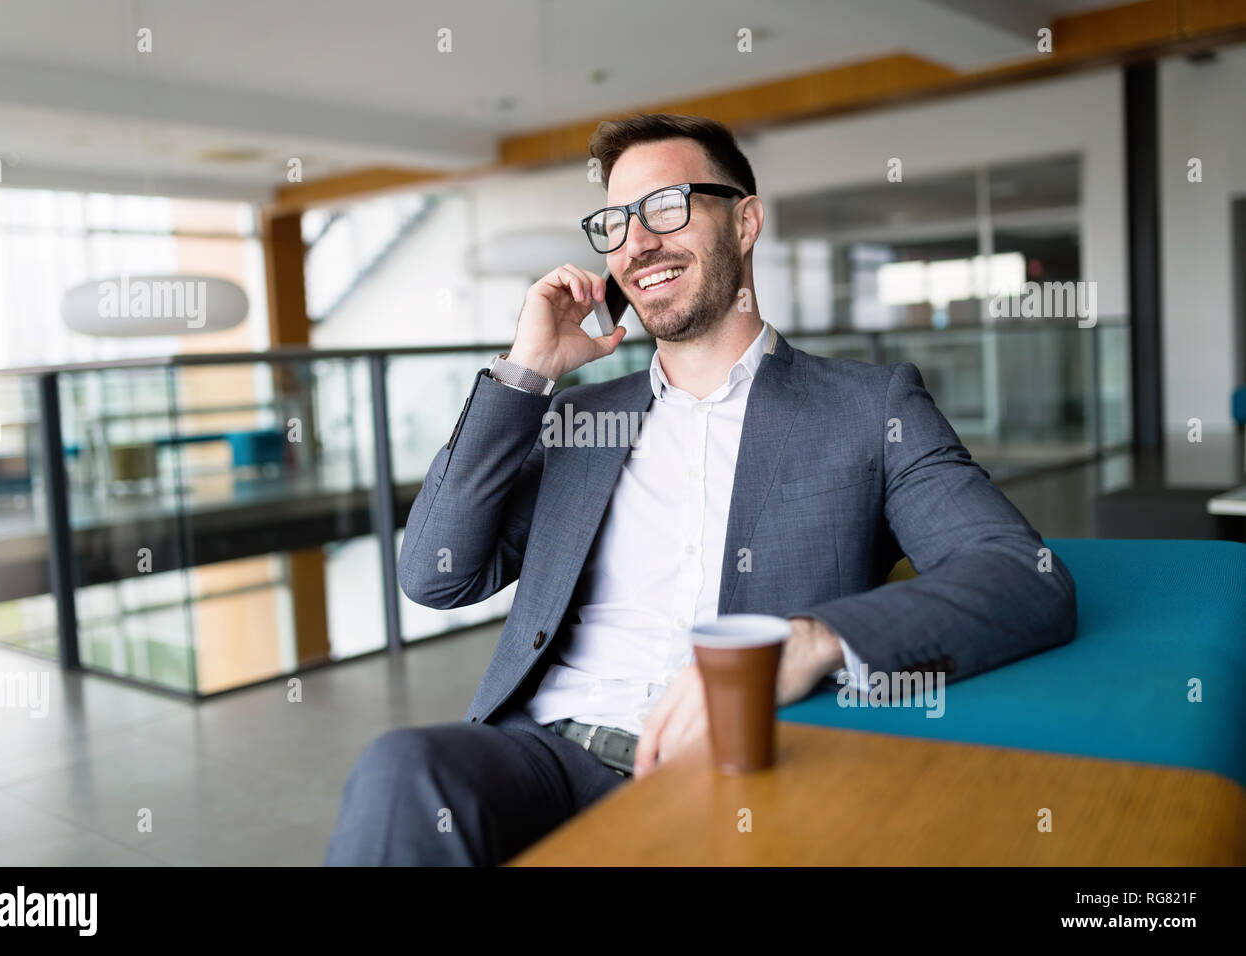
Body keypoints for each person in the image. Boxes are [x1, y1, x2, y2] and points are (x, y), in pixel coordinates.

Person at [325, 112, 1076, 866]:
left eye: (667, 207)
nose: (638, 242)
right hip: (546, 758)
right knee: (404, 768)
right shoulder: (580, 420)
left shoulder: (868, 407)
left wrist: (807, 641)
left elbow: (1021, 576)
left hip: (733, 773)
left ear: (745, 221)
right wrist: (528, 372)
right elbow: (435, 573)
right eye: (615, 223)